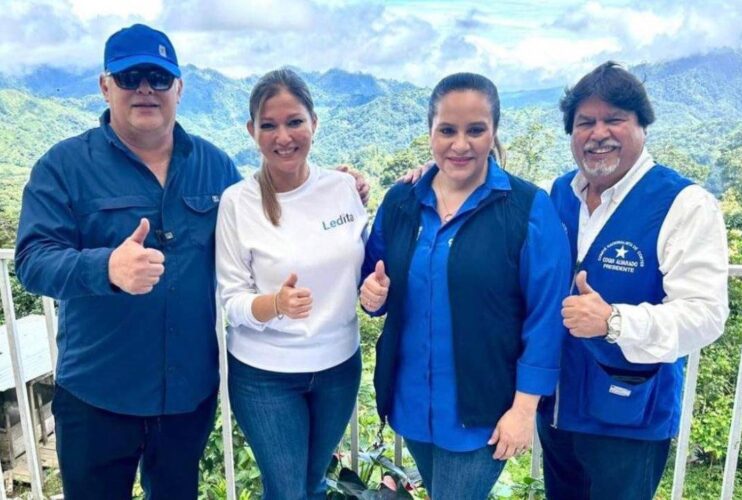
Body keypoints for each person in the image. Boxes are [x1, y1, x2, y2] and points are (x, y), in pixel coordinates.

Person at [14, 25, 368, 499]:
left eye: (159, 77)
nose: (145, 88)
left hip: (187, 396)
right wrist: (106, 269)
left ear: (178, 87)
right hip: (99, 394)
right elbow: (32, 261)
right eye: (129, 77)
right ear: (105, 85)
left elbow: (268, 212)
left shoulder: (214, 165)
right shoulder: (63, 166)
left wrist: (335, 190)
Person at [360, 72, 571, 499]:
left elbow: (546, 316)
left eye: (476, 130)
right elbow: (374, 281)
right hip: (413, 403)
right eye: (447, 130)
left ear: (494, 133)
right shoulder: (402, 202)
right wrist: (372, 296)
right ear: (430, 132)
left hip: (483, 412)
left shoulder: (527, 208)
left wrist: (524, 408)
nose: (461, 144)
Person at [537, 61, 729, 500]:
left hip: (629, 418)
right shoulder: (555, 194)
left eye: (614, 120)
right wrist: (428, 180)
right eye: (585, 122)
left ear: (642, 126)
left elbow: (706, 314)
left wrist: (614, 322)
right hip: (557, 410)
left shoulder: (684, 204)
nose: (598, 133)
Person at [215, 68, 367, 500]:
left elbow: (365, 257)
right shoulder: (237, 202)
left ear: (314, 123)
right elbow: (231, 299)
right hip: (265, 374)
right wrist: (275, 305)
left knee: (314, 483)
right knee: (286, 492)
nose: (284, 136)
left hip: (339, 366)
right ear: (252, 131)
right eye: (269, 125)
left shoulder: (342, 189)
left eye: (294, 121)